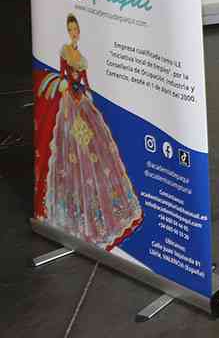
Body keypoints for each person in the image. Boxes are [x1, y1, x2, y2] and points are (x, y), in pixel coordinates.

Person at [36, 14, 142, 249]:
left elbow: (84, 80)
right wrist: (66, 87)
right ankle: (75, 210)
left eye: (75, 29)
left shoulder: (81, 57)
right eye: (71, 29)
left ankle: (97, 207)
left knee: (93, 148)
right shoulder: (66, 51)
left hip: (81, 99)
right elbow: (63, 75)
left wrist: (87, 94)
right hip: (69, 102)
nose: (74, 32)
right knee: (71, 148)